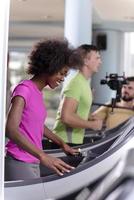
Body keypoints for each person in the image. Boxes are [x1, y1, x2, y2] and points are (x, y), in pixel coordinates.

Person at [5, 38, 80, 181]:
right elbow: (11, 129)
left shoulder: (37, 92)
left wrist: (62, 144)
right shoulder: (24, 89)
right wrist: (43, 155)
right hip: (19, 161)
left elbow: (37, 124)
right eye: (62, 73)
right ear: (49, 67)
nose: (63, 78)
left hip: (32, 160)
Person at [52, 44, 103, 147]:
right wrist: (92, 125)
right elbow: (66, 117)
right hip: (65, 142)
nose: (100, 62)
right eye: (97, 58)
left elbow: (75, 113)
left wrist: (88, 118)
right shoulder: (76, 83)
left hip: (72, 141)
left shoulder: (84, 83)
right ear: (85, 61)